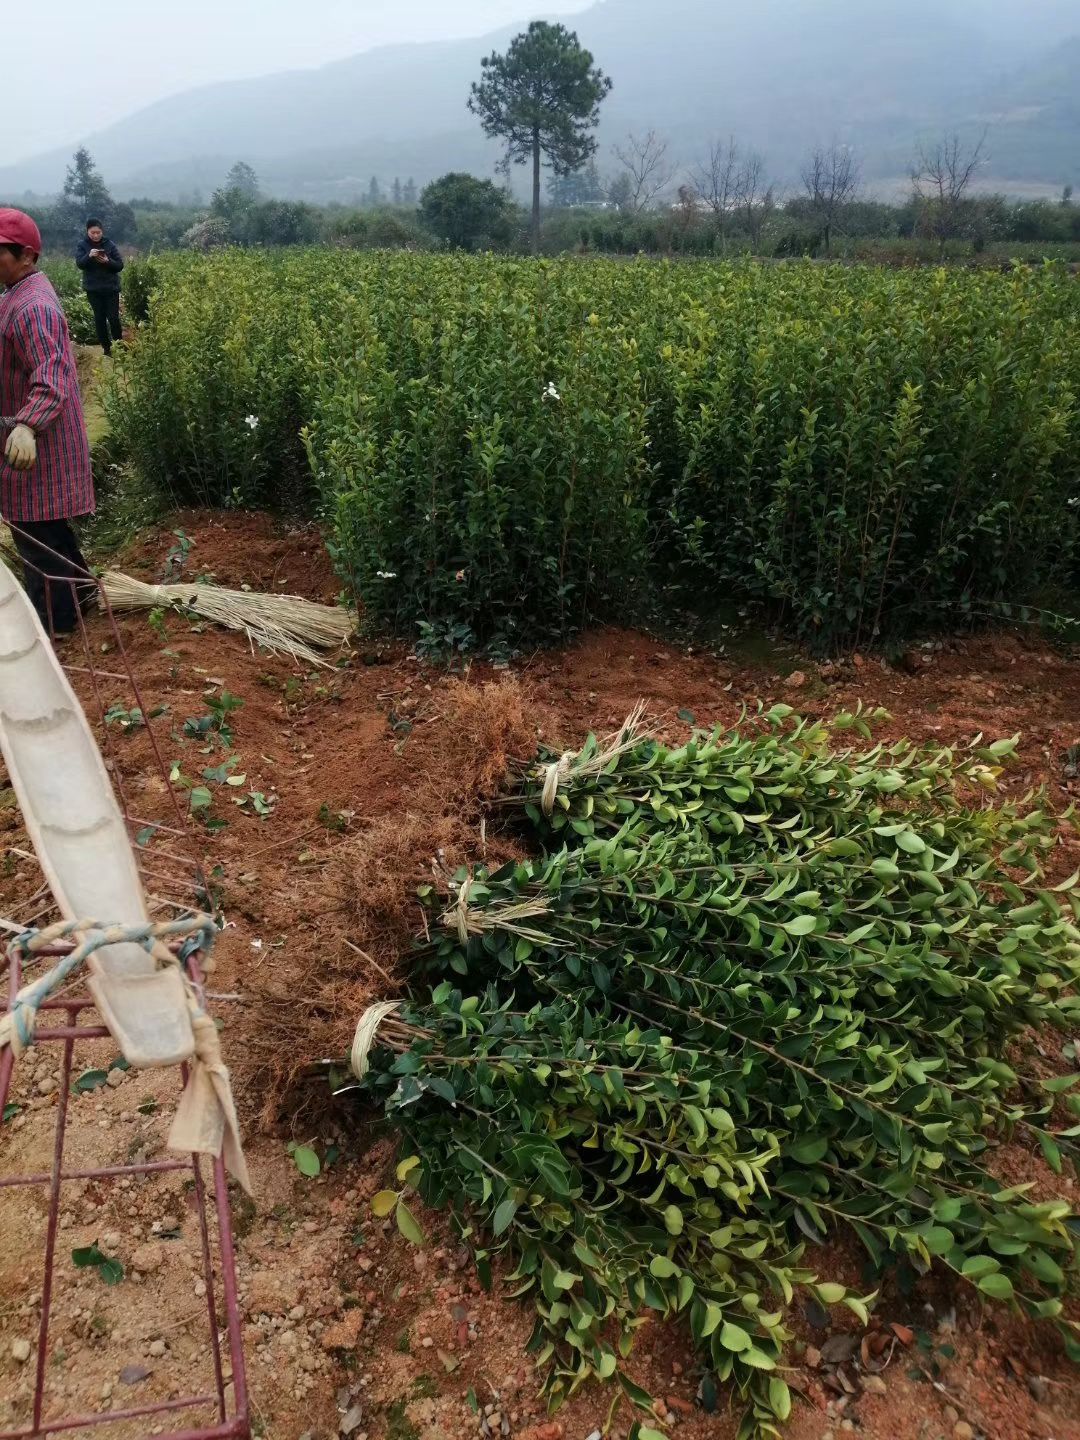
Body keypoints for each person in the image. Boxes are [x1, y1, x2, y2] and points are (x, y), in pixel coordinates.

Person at [0, 207, 96, 635]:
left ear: (27, 256)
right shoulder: (15, 294)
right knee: (46, 530)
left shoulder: (34, 307)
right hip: (31, 438)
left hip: (40, 443)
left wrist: (27, 425)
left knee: (37, 537)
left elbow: (52, 374)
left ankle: (59, 624)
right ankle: (84, 599)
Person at [75, 217, 124, 356]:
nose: (96, 235)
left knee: (113, 318)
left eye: (98, 232)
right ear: (87, 231)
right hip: (93, 290)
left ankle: (119, 346)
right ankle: (107, 348)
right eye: (93, 233)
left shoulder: (110, 245)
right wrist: (89, 256)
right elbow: (80, 264)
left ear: (102, 231)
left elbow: (120, 265)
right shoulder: (82, 245)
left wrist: (108, 261)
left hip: (111, 288)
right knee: (100, 318)